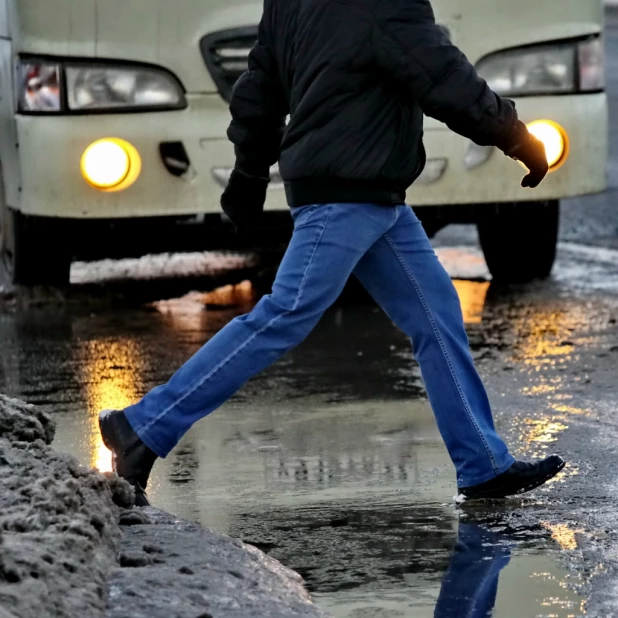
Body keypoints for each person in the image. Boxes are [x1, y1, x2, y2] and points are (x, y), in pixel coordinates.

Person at [99, 0, 565, 506]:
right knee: (285, 314)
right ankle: (142, 428)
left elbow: (260, 87)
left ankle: (482, 465)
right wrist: (516, 136)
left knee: (435, 314)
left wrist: (249, 172)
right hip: (348, 191)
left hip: (371, 192)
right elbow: (442, 77)